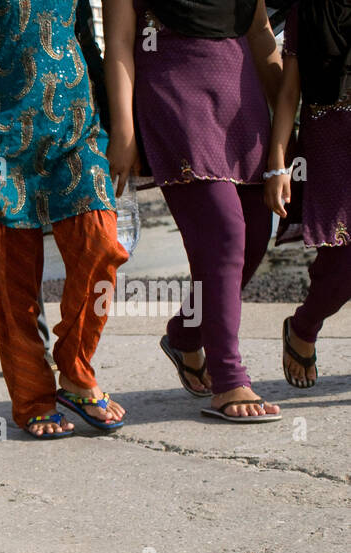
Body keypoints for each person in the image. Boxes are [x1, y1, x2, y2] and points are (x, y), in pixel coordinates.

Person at [0, 0, 129, 438]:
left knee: (105, 247)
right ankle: (33, 397)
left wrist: (124, 128)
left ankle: (75, 369)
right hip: (1, 139)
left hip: (76, 130)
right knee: (13, 285)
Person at [106, 0, 282, 423]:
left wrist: (289, 121)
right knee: (223, 233)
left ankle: (186, 335)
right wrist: (124, 129)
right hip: (174, 94)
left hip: (242, 97)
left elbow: (259, 32)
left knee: (256, 235)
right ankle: (229, 379)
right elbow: (121, 42)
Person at [267, 0, 351, 389]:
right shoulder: (309, 11)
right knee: (341, 264)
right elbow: (289, 94)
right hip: (331, 147)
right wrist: (279, 164)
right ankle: (303, 326)